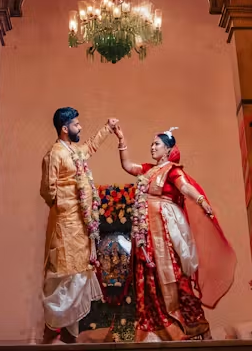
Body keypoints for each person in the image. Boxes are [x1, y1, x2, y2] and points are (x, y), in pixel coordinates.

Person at [111, 123, 236, 341]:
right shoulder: (148, 169)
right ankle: (154, 327)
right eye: (151, 143)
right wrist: (121, 140)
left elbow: (185, 187)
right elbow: (127, 165)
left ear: (168, 150)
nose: (152, 147)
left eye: (156, 144)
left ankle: (191, 324)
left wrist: (201, 202)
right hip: (145, 230)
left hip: (163, 229)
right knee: (148, 275)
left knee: (174, 275)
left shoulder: (172, 170)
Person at [40, 106, 114, 344]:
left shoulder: (74, 151)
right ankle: (52, 328)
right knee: (62, 275)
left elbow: (90, 146)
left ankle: (69, 334)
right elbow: (47, 190)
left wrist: (107, 129)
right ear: (64, 129)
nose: (80, 127)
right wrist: (63, 206)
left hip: (81, 225)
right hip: (64, 223)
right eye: (76, 124)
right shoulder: (55, 154)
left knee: (78, 276)